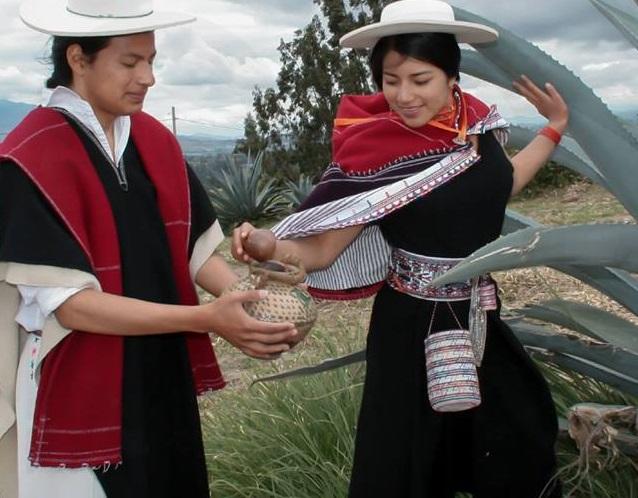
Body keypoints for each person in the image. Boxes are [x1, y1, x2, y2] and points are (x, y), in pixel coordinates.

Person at [232, 1, 568, 496]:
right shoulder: (376, 150)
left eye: (420, 79)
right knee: (406, 462)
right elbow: (321, 251)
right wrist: (267, 244)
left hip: (479, 316)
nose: (404, 96)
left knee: (520, 435)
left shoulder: (476, 126)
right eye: (391, 81)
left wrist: (553, 127)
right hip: (410, 327)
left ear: (451, 75)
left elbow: (504, 183)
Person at [0, 1, 298, 497]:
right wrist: (206, 319)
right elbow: (72, 307)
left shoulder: (154, 142)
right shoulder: (31, 159)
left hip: (160, 370)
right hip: (75, 383)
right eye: (130, 62)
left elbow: (194, 254)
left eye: (151, 60)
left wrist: (255, 307)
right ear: (78, 58)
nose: (148, 77)